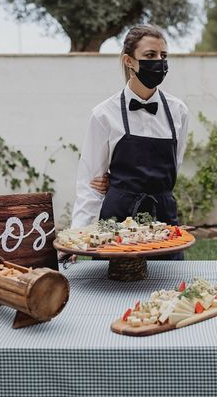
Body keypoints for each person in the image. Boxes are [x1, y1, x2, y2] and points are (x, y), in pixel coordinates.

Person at [67, 24, 189, 260]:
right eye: (150, 55)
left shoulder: (179, 112)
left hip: (163, 219)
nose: (159, 62)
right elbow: (89, 183)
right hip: (117, 221)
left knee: (169, 290)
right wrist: (75, 237)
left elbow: (175, 164)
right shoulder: (104, 114)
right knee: (114, 290)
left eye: (163, 56)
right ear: (129, 61)